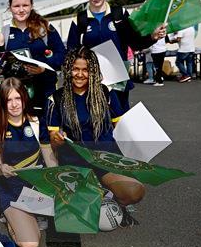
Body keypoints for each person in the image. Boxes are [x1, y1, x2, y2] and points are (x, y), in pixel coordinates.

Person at [48, 47, 145, 224]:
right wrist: (57, 138)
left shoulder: (106, 93)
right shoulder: (57, 97)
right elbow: (52, 138)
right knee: (75, 219)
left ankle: (110, 197)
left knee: (135, 191)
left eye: (85, 69)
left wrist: (133, 157)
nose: (80, 74)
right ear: (68, 69)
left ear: (93, 71)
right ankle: (97, 194)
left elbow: (121, 126)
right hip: (76, 163)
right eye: (75, 69)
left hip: (105, 159)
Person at [66, 0, 167, 111]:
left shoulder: (120, 14)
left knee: (120, 119)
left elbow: (135, 41)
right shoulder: (79, 20)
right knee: (95, 122)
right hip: (92, 81)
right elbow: (71, 53)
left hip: (118, 79)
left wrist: (153, 37)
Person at [0, 77, 58, 247]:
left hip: (36, 187)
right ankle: (3, 209)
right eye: (8, 100)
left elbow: (48, 156)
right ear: (2, 103)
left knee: (71, 212)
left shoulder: (37, 122)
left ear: (24, 98)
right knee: (30, 243)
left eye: (17, 98)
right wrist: (1, 168)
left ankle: (33, 213)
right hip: (11, 188)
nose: (14, 104)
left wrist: (59, 182)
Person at [0, 0, 66, 116]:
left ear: (31, 6)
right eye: (16, 6)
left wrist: (43, 68)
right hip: (16, 98)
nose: (21, 10)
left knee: (46, 133)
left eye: (25, 5)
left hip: (45, 92)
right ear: (9, 7)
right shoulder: (4, 32)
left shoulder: (45, 28)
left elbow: (62, 55)